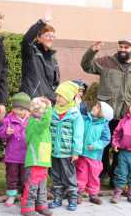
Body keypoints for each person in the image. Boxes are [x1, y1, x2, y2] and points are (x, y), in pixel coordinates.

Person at [80, 38, 131, 184]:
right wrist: (92, 51)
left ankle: (115, 176)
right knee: (103, 145)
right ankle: (101, 172)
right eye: (121, 46)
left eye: (127, 47)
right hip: (105, 114)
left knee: (121, 148)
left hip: (125, 117)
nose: (123, 49)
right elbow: (86, 66)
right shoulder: (106, 62)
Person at [48, 81, 84, 211]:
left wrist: (76, 151)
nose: (57, 99)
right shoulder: (52, 112)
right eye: (56, 96)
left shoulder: (75, 114)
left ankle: (72, 199)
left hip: (67, 152)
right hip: (54, 151)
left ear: (68, 97)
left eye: (60, 96)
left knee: (69, 176)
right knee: (55, 176)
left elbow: (78, 135)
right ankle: (57, 198)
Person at [76, 100, 113, 205]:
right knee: (81, 174)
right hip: (83, 154)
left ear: (102, 114)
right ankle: (78, 193)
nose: (94, 107)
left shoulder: (104, 125)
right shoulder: (85, 119)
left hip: (95, 156)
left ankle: (93, 194)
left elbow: (106, 139)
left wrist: (96, 145)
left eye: (97, 107)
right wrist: (78, 104)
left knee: (94, 176)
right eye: (95, 105)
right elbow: (78, 114)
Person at [21, 97, 53, 216]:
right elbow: (46, 121)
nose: (45, 113)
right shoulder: (33, 123)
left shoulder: (41, 124)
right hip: (35, 160)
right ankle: (27, 207)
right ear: (35, 111)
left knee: (42, 185)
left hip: (43, 159)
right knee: (32, 185)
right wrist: (49, 107)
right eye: (43, 111)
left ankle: (41, 205)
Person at [0, 92, 31, 207]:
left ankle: (23, 195)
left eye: (22, 109)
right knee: (11, 176)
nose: (18, 111)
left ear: (27, 109)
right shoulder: (8, 119)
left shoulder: (31, 120)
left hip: (27, 156)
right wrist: (6, 132)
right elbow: (1, 133)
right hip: (12, 155)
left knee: (25, 177)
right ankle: (11, 194)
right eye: (16, 108)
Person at [20, 10, 60, 103]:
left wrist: (52, 98)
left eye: (53, 36)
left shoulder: (53, 59)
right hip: (32, 100)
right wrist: (41, 22)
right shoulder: (31, 52)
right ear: (38, 37)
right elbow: (26, 40)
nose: (51, 39)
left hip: (47, 103)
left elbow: (55, 83)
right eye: (47, 36)